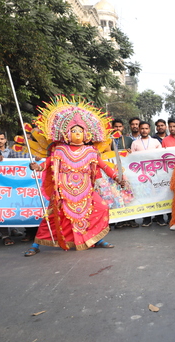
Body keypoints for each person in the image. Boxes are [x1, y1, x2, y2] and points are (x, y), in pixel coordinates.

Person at [24, 97, 124, 256]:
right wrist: (37, 166)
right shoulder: (59, 150)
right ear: (67, 134)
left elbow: (103, 166)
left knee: (101, 208)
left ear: (86, 134)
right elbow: (46, 164)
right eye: (74, 131)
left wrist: (117, 177)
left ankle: (95, 238)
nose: (77, 134)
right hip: (63, 191)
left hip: (86, 190)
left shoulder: (91, 151)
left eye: (80, 131)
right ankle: (36, 245)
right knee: (50, 218)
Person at [131, 121, 163, 227]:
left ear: (149, 130)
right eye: (142, 128)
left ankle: (160, 218)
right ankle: (147, 218)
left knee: (158, 195)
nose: (144, 130)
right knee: (145, 195)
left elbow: (160, 157)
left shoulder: (155, 142)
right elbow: (132, 159)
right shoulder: (135, 143)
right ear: (139, 130)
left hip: (155, 173)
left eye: (146, 128)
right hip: (141, 174)